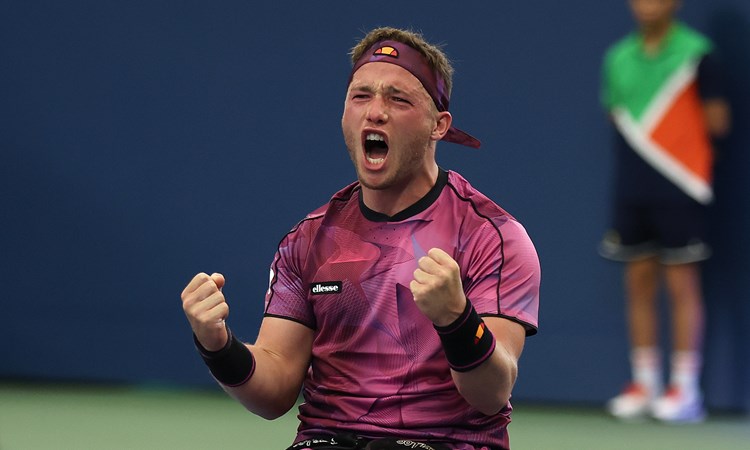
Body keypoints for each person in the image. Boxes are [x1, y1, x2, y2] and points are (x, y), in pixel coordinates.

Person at [181, 27, 541, 450]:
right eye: (361, 96)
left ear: (438, 125)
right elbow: (274, 388)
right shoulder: (308, 240)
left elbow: (492, 392)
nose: (375, 113)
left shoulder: (492, 236)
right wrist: (217, 345)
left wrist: (457, 319)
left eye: (398, 99)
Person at [599, 0, 731, 423]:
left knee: (681, 285)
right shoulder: (617, 56)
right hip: (632, 188)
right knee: (637, 281)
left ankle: (685, 389)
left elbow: (718, 122)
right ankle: (644, 382)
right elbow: (615, 117)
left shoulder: (698, 53)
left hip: (682, 186)